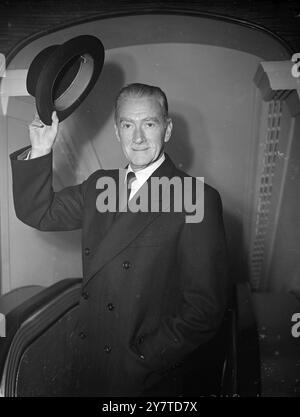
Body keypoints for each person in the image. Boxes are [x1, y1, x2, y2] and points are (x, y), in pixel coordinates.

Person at [10, 83, 229, 396]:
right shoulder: (100, 185)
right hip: (90, 363)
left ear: (167, 130)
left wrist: (141, 359)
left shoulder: (196, 198)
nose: (137, 138)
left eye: (149, 124)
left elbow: (204, 308)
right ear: (117, 132)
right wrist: (42, 149)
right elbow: (39, 212)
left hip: (142, 378)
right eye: (128, 125)